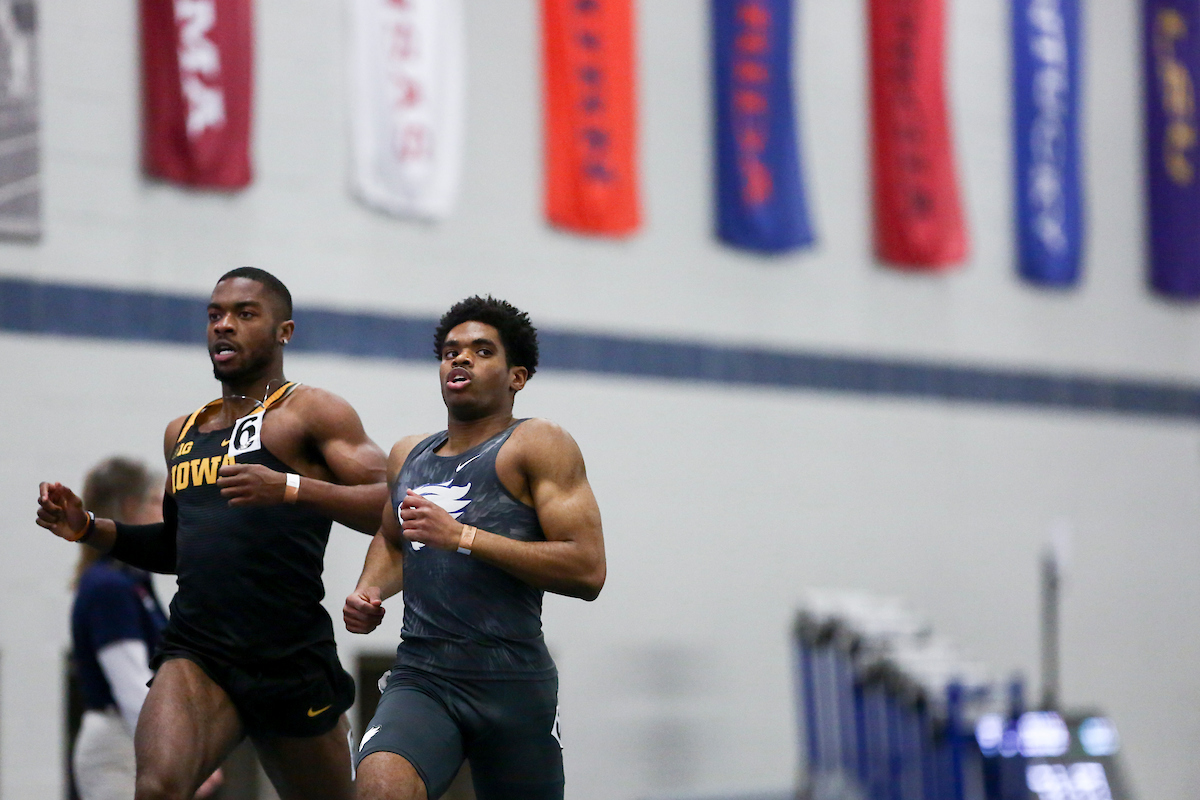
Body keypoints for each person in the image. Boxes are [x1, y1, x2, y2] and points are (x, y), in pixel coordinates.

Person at [38, 267, 389, 800]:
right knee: (157, 789)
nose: (224, 326)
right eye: (215, 315)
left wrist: (291, 488)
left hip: (288, 653)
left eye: (245, 314)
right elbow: (179, 548)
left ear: (283, 332)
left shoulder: (311, 412)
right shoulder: (183, 432)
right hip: (198, 650)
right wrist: (90, 528)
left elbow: (393, 504)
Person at [343, 296, 607, 800]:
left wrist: (462, 537)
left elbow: (587, 569)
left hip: (512, 684)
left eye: (482, 351)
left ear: (517, 377)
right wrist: (368, 590)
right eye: (450, 351)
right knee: (379, 787)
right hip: (422, 677)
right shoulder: (408, 454)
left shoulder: (538, 443)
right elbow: (393, 539)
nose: (459, 359)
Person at [71, 456, 222, 800]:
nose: (165, 514)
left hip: (136, 736)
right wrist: (182, 752)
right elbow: (132, 687)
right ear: (130, 507)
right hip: (120, 742)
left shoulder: (134, 581)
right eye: (157, 502)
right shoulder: (108, 586)